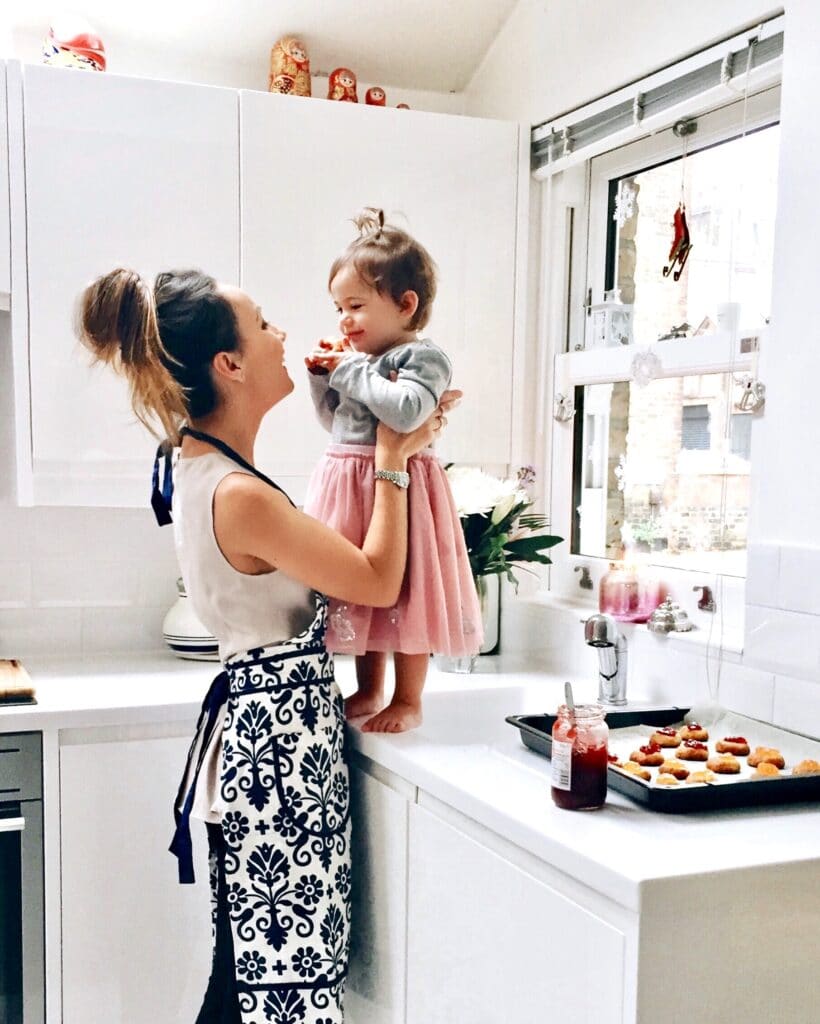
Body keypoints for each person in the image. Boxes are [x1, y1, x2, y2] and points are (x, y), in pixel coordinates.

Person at [77, 266, 457, 1024]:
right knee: (282, 986)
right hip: (277, 757)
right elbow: (378, 581)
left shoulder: (197, 465)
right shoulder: (241, 494)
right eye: (264, 325)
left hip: (259, 745)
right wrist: (392, 457)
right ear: (230, 364)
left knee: (251, 981)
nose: (285, 335)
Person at [303, 209, 482, 734]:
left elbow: (405, 412)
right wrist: (322, 379)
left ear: (406, 305)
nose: (344, 320)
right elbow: (331, 421)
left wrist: (350, 369)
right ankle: (369, 687)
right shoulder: (360, 361)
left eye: (356, 306)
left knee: (408, 590)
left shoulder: (424, 358)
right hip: (352, 484)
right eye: (338, 307)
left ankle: (409, 698)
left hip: (401, 492)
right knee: (362, 593)